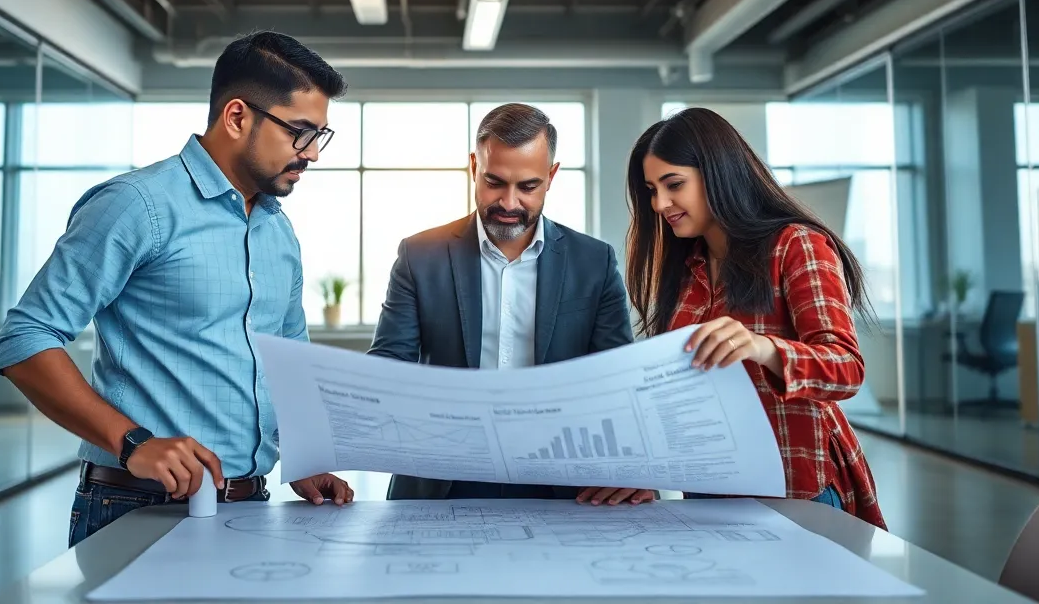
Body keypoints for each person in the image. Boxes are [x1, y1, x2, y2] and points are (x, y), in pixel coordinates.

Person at [0, 31, 355, 547]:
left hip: (249, 508)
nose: (313, 153)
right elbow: (24, 338)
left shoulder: (278, 230)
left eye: (321, 135)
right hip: (135, 504)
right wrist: (132, 442)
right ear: (236, 117)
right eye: (300, 132)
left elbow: (288, 360)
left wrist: (301, 457)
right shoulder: (137, 205)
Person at [368, 103, 647, 506]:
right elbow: (389, 363)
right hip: (442, 479)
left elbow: (617, 379)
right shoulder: (419, 255)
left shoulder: (594, 262)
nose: (510, 202)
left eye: (528, 186)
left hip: (563, 481)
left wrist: (641, 466)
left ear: (551, 177)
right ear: (472, 167)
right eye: (494, 182)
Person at [625, 106, 886, 529]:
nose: (660, 204)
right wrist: (644, 472)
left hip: (797, 492)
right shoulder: (686, 270)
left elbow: (847, 369)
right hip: (711, 494)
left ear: (719, 173)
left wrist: (764, 347)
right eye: (652, 189)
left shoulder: (796, 245)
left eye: (674, 185)